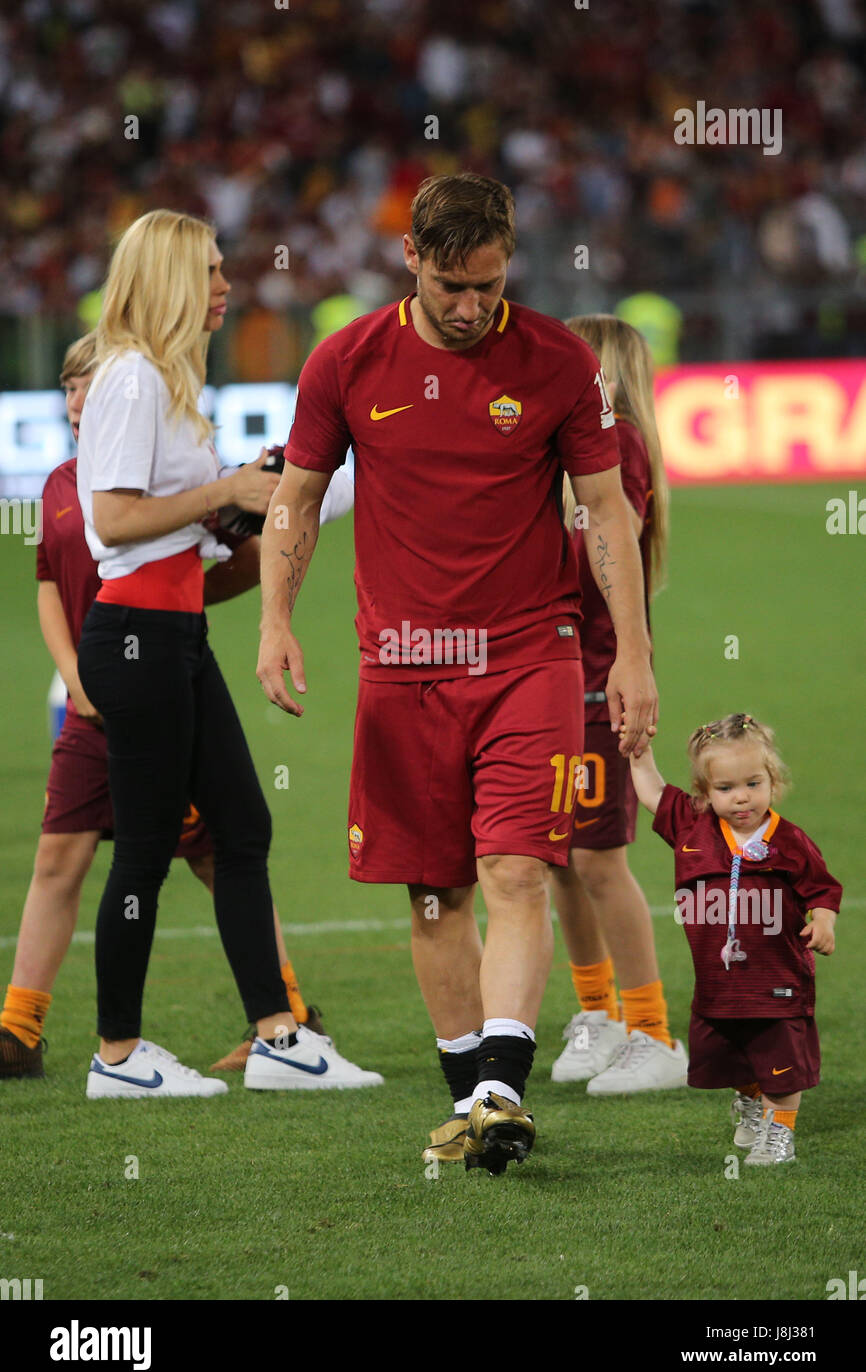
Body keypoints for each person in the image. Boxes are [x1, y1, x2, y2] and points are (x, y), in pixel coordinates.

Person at [257, 173, 657, 1174]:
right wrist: (272, 618)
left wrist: (635, 654)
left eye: (486, 283)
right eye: (449, 285)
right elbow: (296, 501)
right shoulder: (346, 361)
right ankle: (472, 1102)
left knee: (516, 870)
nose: (470, 305)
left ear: (508, 260)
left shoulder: (561, 362)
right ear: (411, 262)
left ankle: (499, 1088)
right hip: (402, 669)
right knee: (432, 896)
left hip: (532, 656)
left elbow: (604, 512)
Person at [74, 209, 381, 1097]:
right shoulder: (131, 377)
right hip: (137, 639)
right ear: (170, 278)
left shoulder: (161, 381)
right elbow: (114, 519)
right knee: (142, 853)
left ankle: (278, 1035)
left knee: (243, 829)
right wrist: (228, 489)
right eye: (210, 271)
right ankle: (119, 1055)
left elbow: (186, 547)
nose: (226, 287)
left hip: (171, 632)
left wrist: (274, 504)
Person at [0, 332, 363, 1082]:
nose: (76, 401)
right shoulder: (63, 485)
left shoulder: (143, 484)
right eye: (68, 387)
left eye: (88, 386)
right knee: (67, 856)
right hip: (98, 693)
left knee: (215, 845)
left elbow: (212, 570)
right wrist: (72, 677)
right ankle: (27, 1032)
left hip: (153, 673)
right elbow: (45, 585)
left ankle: (282, 1019)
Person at [549, 316, 687, 1094]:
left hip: (598, 677)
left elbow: (610, 541)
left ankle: (653, 1030)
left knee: (599, 858)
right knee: (560, 859)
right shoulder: (582, 445)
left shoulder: (617, 441)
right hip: (554, 677)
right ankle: (598, 1012)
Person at [629, 713, 841, 1165]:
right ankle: (750, 1101)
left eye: (753, 783)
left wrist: (823, 921)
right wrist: (638, 753)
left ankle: (778, 1133)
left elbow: (823, 889)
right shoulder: (692, 827)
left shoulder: (791, 841)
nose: (742, 797)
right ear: (704, 795)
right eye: (725, 789)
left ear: (773, 782)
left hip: (777, 979)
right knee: (725, 1055)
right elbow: (651, 792)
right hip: (718, 985)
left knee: (782, 1061)